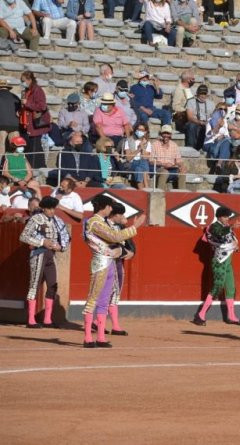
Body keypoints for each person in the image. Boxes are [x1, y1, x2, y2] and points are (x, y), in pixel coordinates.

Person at [82, 195, 146, 348]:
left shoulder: (102, 223)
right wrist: (135, 226)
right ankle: (87, 337)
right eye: (110, 206)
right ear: (105, 207)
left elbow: (117, 239)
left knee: (104, 300)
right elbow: (115, 236)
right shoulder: (93, 222)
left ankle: (101, 337)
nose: (111, 209)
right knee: (93, 299)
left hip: (109, 262)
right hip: (100, 264)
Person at [19, 196, 71, 329]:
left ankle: (47, 319)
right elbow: (23, 236)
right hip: (38, 254)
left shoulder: (56, 221)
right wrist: (42, 242)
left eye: (53, 208)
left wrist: (60, 246)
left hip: (51, 255)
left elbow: (64, 238)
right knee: (34, 285)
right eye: (49, 208)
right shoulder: (36, 219)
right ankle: (31, 320)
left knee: (53, 285)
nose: (52, 211)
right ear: (43, 208)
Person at [192, 206, 240, 326]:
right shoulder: (213, 227)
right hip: (219, 261)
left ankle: (231, 316)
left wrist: (236, 246)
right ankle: (200, 315)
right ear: (219, 217)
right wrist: (231, 227)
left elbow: (231, 240)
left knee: (230, 288)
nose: (227, 219)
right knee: (217, 287)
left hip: (228, 261)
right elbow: (219, 233)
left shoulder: (227, 228)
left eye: (228, 217)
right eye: (225, 217)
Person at [106, 202, 134, 336]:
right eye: (120, 214)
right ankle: (115, 326)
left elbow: (129, 243)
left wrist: (131, 251)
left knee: (112, 292)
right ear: (114, 215)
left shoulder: (119, 226)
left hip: (117, 262)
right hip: (109, 262)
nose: (122, 217)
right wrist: (124, 251)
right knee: (111, 292)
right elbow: (111, 245)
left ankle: (98, 321)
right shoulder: (104, 226)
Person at [19, 71, 49, 169]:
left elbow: (42, 106)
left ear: (29, 80)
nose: (22, 83)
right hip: (26, 125)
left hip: (35, 125)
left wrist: (27, 103)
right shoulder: (26, 91)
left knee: (35, 149)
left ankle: (37, 169)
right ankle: (30, 168)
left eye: (23, 81)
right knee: (29, 149)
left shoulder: (37, 90)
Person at [152, 125, 186, 190]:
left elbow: (179, 160)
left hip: (172, 168)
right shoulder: (155, 144)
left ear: (170, 135)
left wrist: (182, 166)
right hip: (159, 168)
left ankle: (182, 194)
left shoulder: (174, 145)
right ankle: (159, 193)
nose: (166, 135)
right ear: (161, 134)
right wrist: (163, 164)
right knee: (164, 172)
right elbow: (151, 161)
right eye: (164, 133)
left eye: (168, 133)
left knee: (182, 171)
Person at [122, 122, 152, 189]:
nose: (139, 131)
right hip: (131, 164)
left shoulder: (148, 143)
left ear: (146, 132)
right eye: (138, 129)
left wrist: (142, 147)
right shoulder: (129, 141)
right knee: (142, 163)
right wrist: (138, 149)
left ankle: (141, 190)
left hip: (141, 166)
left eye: (142, 130)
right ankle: (147, 187)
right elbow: (128, 158)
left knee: (140, 166)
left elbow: (145, 157)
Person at [185, 84, 213, 150]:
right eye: (201, 93)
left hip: (206, 123)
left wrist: (207, 123)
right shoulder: (191, 102)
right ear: (197, 94)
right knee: (192, 126)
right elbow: (190, 117)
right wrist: (200, 122)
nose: (203, 95)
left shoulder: (211, 103)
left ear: (207, 94)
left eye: (204, 93)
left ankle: (205, 148)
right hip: (195, 122)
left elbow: (213, 117)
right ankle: (190, 148)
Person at [0, 79, 20, 156]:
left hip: (1, 125)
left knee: (1, 144)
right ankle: (16, 165)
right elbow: (19, 112)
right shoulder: (15, 97)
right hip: (15, 125)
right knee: (15, 147)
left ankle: (0, 164)